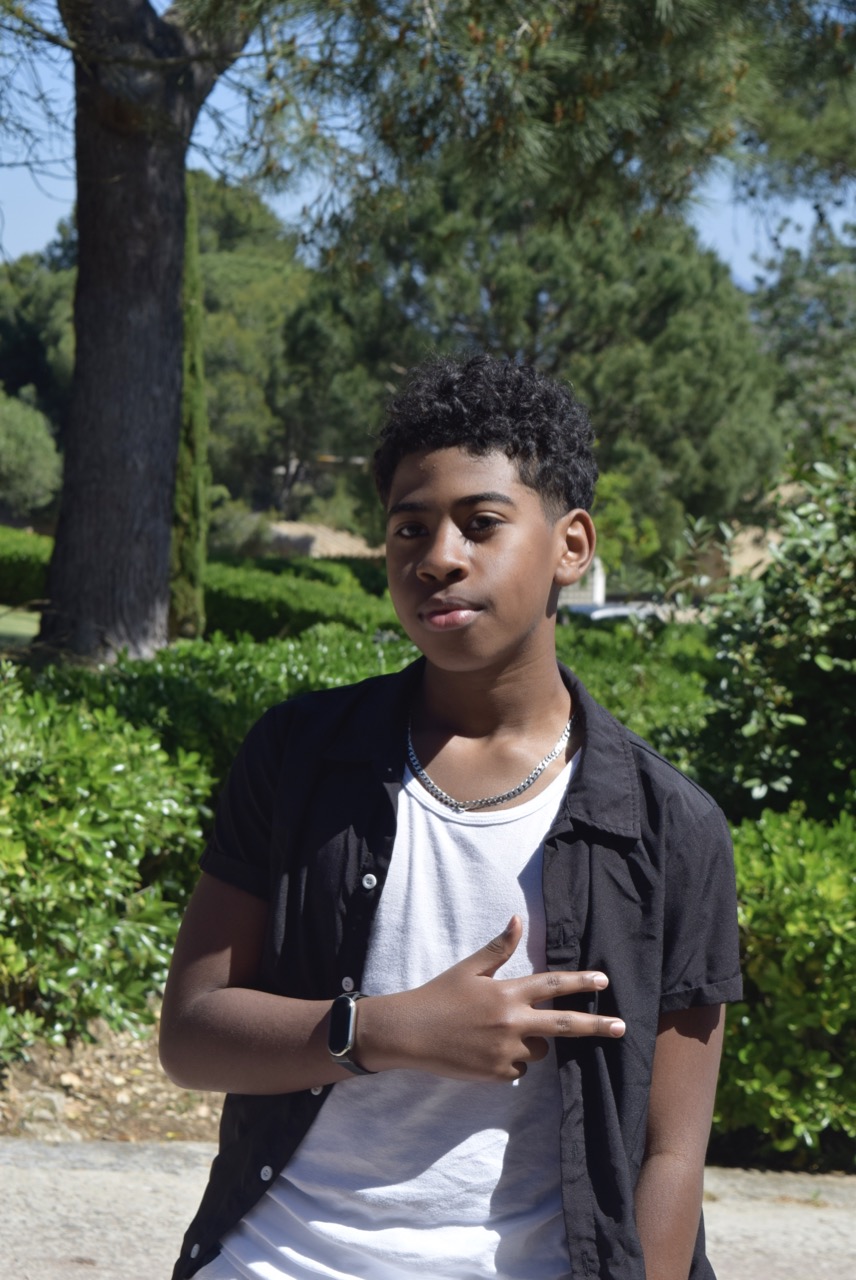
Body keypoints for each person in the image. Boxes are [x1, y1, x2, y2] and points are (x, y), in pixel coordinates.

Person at [160, 353, 742, 1280]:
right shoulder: (299, 758)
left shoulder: (670, 827)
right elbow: (193, 1034)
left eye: (481, 523)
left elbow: (670, 1154)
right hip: (276, 1260)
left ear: (572, 546)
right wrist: (389, 1030)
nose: (438, 556)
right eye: (410, 527)